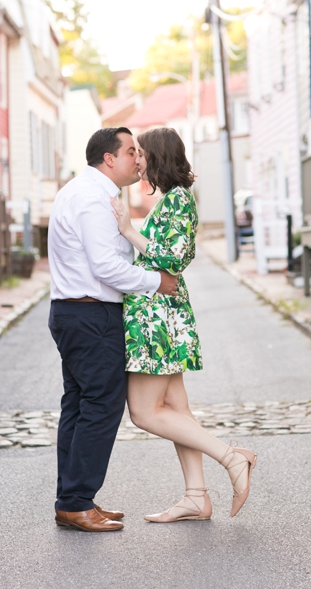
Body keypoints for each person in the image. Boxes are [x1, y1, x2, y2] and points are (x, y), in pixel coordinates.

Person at [109, 127, 256, 523]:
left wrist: (127, 230)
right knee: (176, 409)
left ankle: (232, 458)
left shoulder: (177, 200)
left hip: (158, 316)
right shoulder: (173, 200)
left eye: (140, 154)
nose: (137, 160)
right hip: (159, 310)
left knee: (143, 412)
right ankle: (196, 496)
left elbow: (169, 260)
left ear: (157, 156)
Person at [48, 127, 179, 532]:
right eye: (130, 151)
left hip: (78, 313)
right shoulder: (91, 197)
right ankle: (76, 502)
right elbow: (106, 267)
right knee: (101, 407)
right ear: (109, 158)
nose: (137, 158)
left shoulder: (89, 191)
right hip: (90, 316)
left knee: (80, 406)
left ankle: (73, 499)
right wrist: (159, 282)